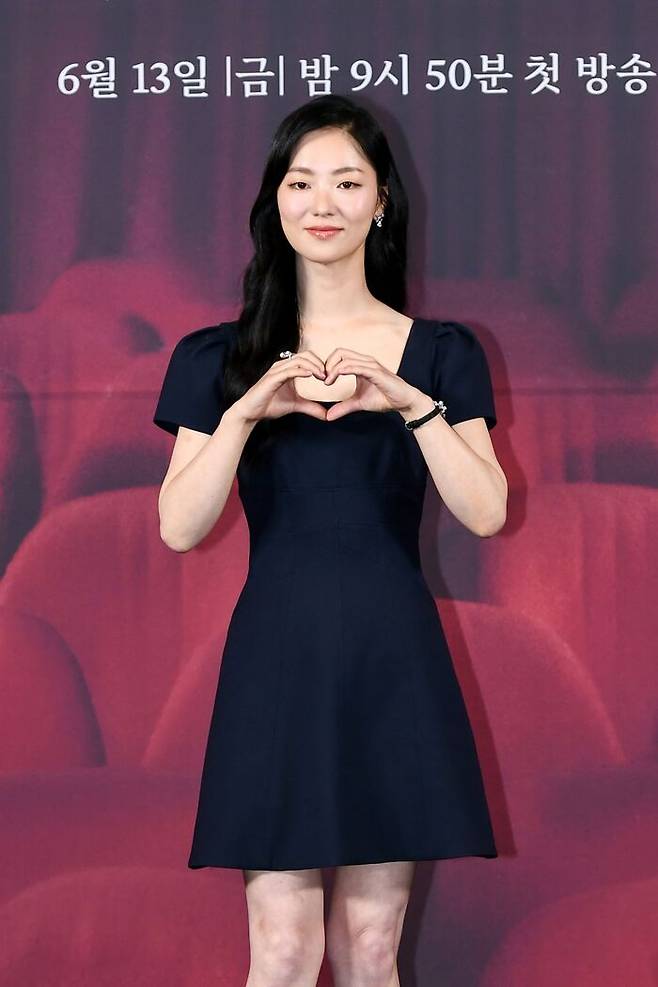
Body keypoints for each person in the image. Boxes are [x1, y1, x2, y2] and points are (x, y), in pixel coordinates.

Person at [153, 93, 507, 987]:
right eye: (301, 181)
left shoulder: (441, 352)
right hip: (276, 654)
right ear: (274, 199)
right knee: (281, 950)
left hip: (392, 653)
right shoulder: (217, 356)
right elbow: (180, 524)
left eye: (347, 182)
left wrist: (411, 403)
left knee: (370, 950)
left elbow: (486, 510)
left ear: (381, 200)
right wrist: (245, 411)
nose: (323, 203)